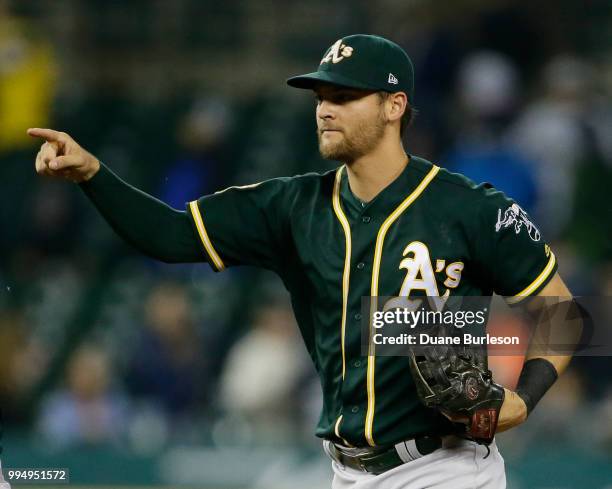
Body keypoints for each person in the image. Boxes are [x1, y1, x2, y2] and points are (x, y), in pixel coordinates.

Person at [28, 34, 578, 489]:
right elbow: (170, 236)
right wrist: (93, 175)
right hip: (346, 472)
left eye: (343, 95)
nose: (324, 109)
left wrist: (522, 400)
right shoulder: (289, 207)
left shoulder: (470, 208)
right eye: (320, 96)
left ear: (395, 106)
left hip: (448, 468)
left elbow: (565, 313)